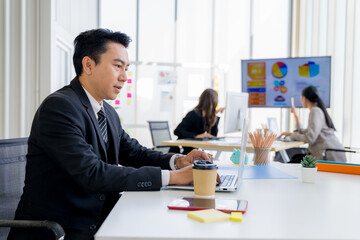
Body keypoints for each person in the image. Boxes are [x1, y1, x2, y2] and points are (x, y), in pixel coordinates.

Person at [8, 29, 214, 240]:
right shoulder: (60, 107)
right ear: (88, 65)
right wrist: (173, 178)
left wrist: (178, 162)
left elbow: (134, 153)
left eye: (126, 68)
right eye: (117, 66)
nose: (124, 77)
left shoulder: (107, 112)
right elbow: (93, 173)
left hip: (98, 219)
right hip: (60, 230)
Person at [279, 85, 346, 162]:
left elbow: (310, 138)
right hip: (329, 153)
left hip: (327, 156)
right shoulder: (317, 110)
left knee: (292, 162)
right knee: (295, 158)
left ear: (304, 98)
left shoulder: (315, 111)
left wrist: (291, 135)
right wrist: (295, 116)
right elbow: (308, 131)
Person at [171, 88, 225, 154]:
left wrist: (215, 115)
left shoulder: (207, 116)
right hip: (181, 151)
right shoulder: (193, 114)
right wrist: (196, 136)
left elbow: (213, 136)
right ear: (214, 102)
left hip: (192, 151)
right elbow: (177, 131)